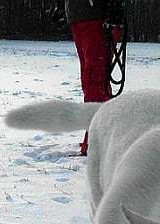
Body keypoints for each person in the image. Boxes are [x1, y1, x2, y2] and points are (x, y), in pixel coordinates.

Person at [53, 0, 126, 156]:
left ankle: (96, 140)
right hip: (82, 14)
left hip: (94, 15)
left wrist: (114, 8)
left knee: (94, 80)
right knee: (92, 80)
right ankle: (100, 135)